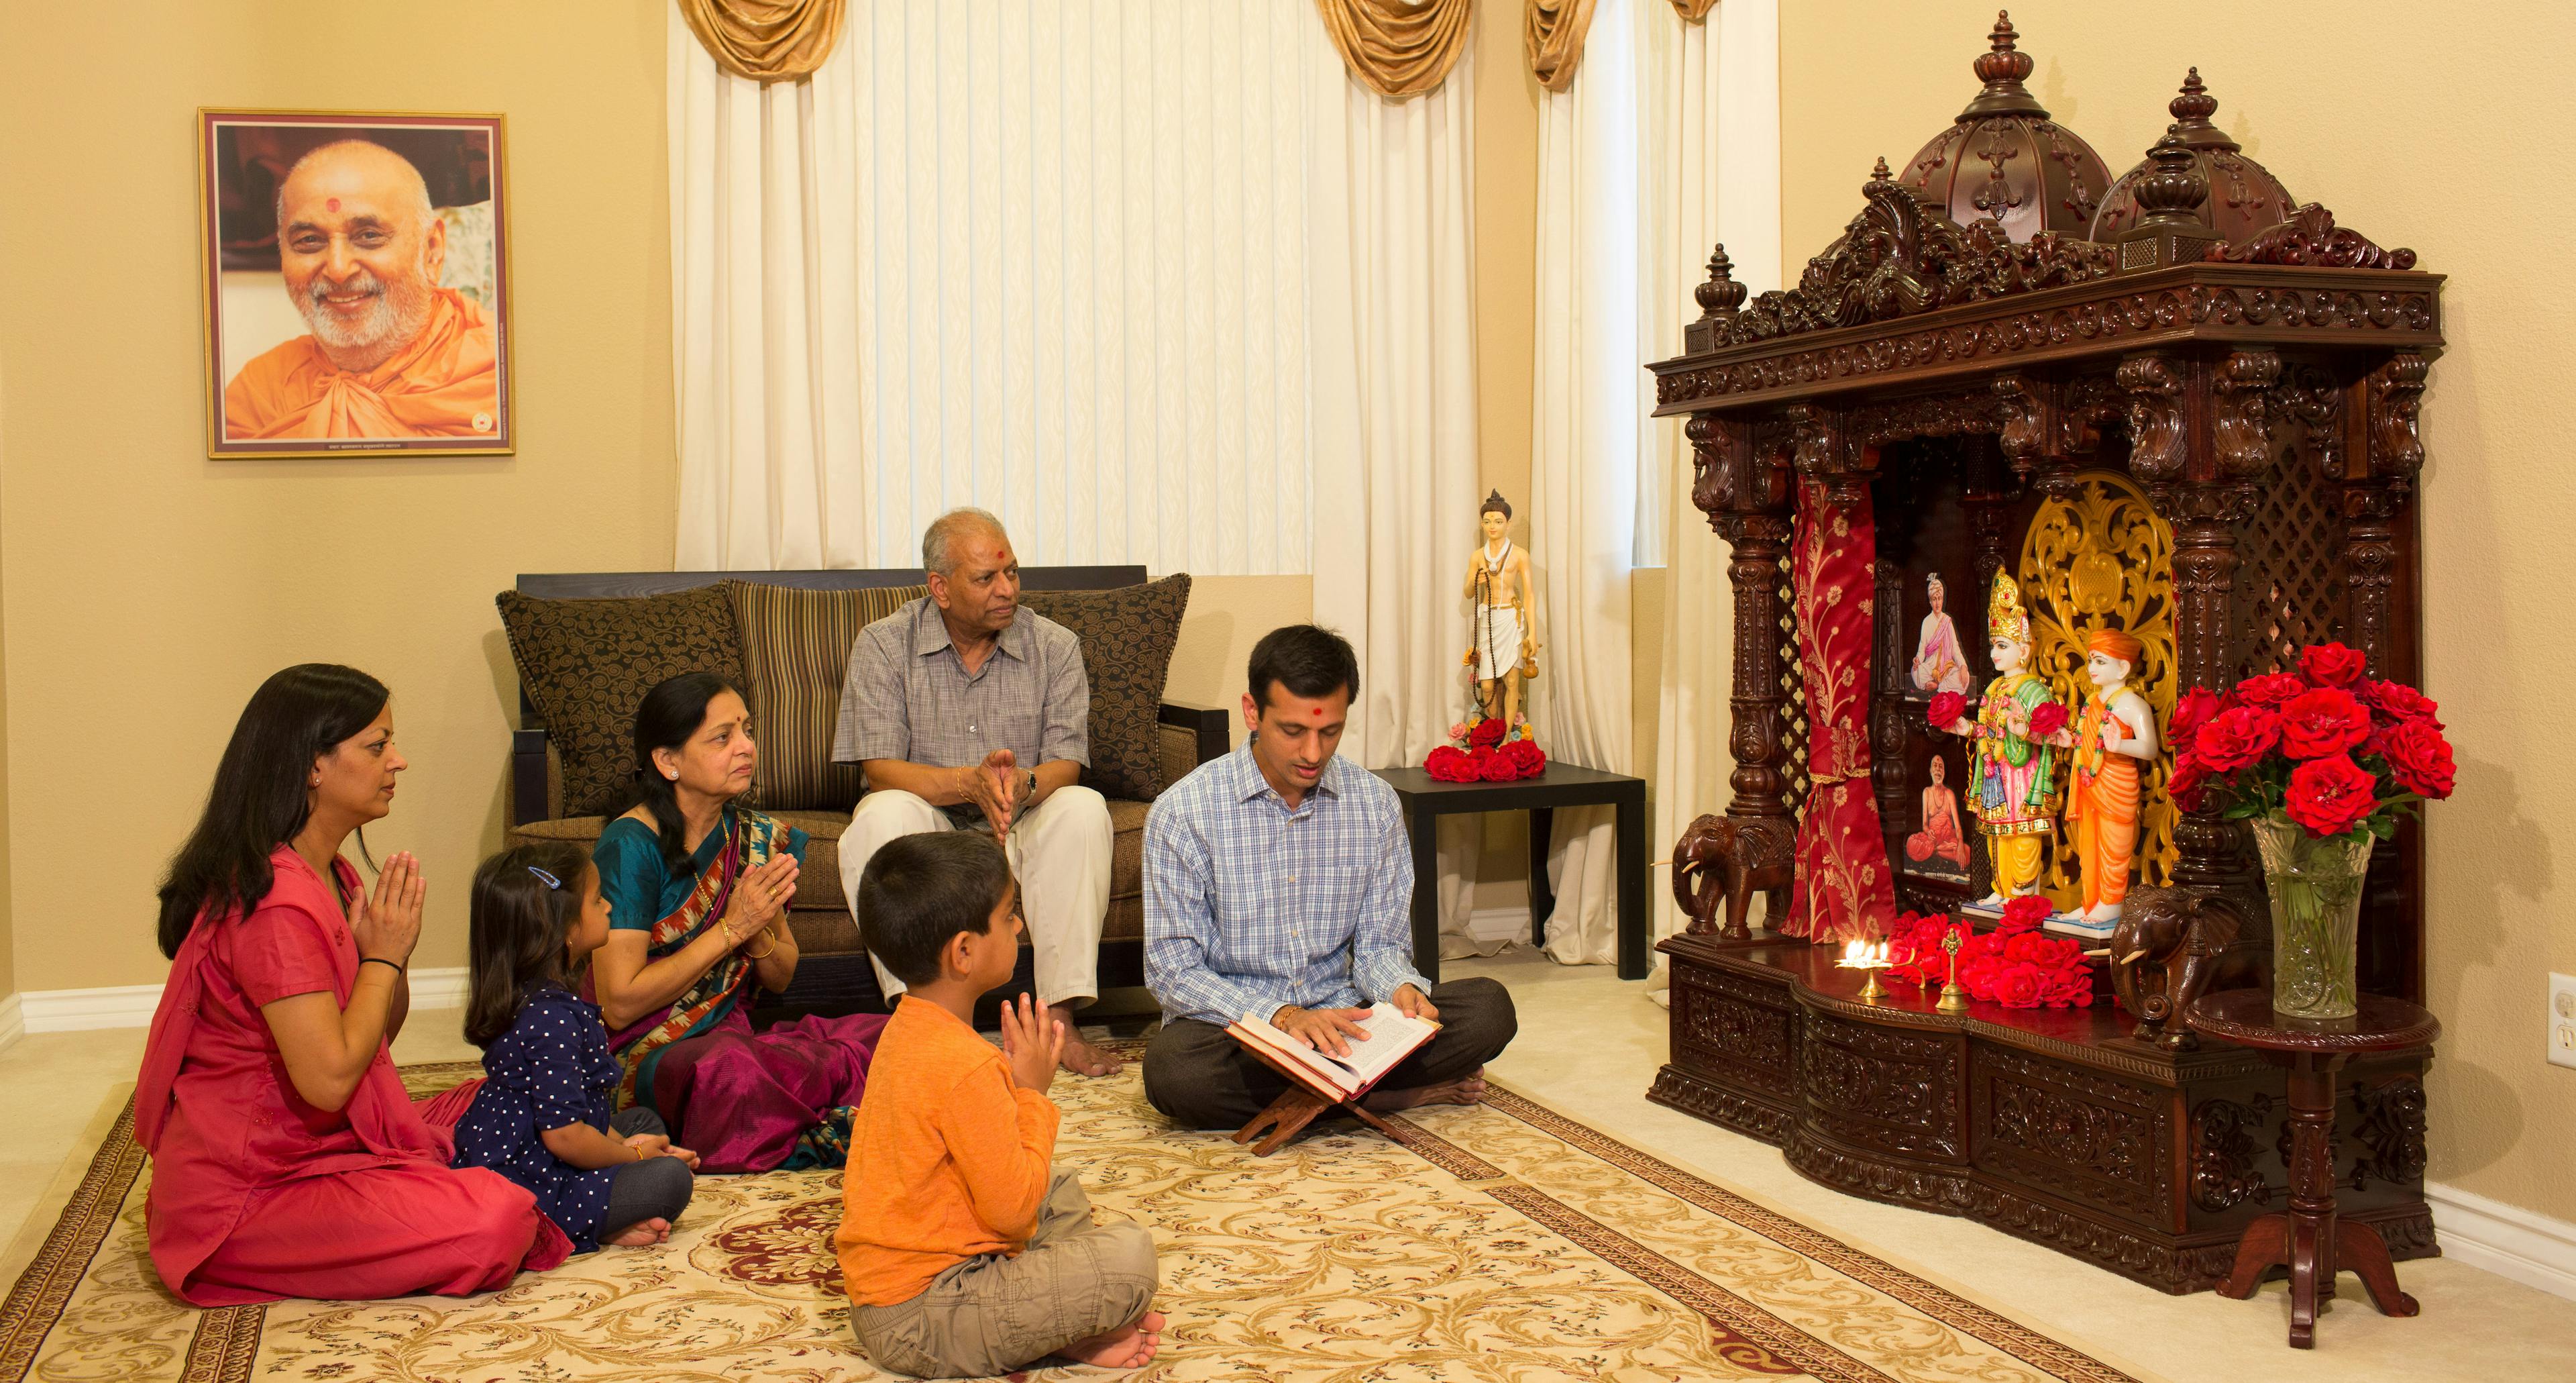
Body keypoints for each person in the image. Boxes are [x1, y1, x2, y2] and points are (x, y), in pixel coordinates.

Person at [137, 664, 569, 1306]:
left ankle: (548, 1185)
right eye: (377, 745)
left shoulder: (331, 874)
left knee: (502, 1100)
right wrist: (385, 960)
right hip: (255, 1191)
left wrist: (384, 958)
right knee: (492, 1219)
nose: (398, 760)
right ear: (313, 765)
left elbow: (374, 1039)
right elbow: (331, 1078)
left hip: (327, 1143)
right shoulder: (274, 904)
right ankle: (564, 1200)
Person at [1140, 625, 1519, 1129]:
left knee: (1490, 1008)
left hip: (1349, 1021)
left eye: (1330, 731)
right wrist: (1284, 1017)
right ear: (1252, 712)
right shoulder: (1182, 813)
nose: (1313, 754)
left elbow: (1380, 947)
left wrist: (1401, 988)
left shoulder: (1375, 804)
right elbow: (1173, 972)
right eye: (1293, 731)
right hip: (1247, 1030)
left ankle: (1321, 1093)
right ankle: (1386, 1097)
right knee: (1174, 1072)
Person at [839, 832, 1165, 1377]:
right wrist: (1030, 1094)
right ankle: (1064, 1326)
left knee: (1058, 1188)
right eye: (1010, 915)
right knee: (1131, 1260)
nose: (1019, 925)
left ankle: (1062, 1328)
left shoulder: (908, 1026)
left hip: (901, 1293)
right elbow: (1011, 1214)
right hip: (922, 1318)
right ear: (964, 951)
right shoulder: (966, 1063)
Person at [834, 508, 1120, 1077]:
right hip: (932, 831)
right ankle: (921, 1021)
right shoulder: (885, 645)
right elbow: (879, 768)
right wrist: (965, 782)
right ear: (939, 588)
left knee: (1083, 809)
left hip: (1021, 823)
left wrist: (1025, 783)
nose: (1007, 589)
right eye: (987, 578)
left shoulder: (1055, 645)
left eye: (1012, 572)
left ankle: (1059, 1017)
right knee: (878, 814)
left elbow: (1068, 763)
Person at [591, 672, 889, 1172]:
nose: (746, 747)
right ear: (668, 761)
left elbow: (781, 974)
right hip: (648, 1051)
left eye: (747, 730)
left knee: (889, 1034)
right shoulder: (630, 846)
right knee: (732, 1073)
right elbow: (618, 1004)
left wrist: (756, 931)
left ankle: (803, 1108)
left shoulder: (751, 837)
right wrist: (730, 929)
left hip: (730, 1032)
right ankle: (819, 1120)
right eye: (723, 737)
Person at [451, 842, 699, 1253]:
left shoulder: (541, 999)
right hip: (532, 1179)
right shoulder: (552, 1019)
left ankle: (609, 1216)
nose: (607, 907)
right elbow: (564, 1137)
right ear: (564, 930)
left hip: (546, 1149)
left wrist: (629, 1144)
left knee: (644, 1123)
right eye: (597, 899)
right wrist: (634, 1158)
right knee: (670, 1179)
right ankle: (577, 1225)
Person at [223, 139, 501, 440]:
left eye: (369, 235)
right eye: (309, 240)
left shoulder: (496, 375)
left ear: (431, 251)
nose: (339, 270)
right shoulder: (260, 393)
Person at [1941, 573, 2061, 904]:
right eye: (1994, 645)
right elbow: (1985, 730)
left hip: (2022, 773)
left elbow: (2052, 734)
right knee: (1996, 832)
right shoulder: (1994, 688)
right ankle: (2001, 887)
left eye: (2002, 646)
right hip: (1996, 771)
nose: (1995, 652)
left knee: (2021, 831)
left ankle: (2022, 892)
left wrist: (2025, 731)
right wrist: (1964, 729)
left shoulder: (2034, 689)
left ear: (2023, 650)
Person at [2065, 629, 2158, 923]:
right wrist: (2068, 740)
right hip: (2089, 783)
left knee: (2113, 846)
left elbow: (2150, 748)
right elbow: (2087, 739)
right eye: (2091, 660)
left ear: (2123, 668)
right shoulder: (2092, 702)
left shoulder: (2132, 704)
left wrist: (2122, 745)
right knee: (2088, 847)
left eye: (2101, 662)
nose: (2092, 668)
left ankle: (2112, 901)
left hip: (2117, 784)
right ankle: (2091, 900)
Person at [1460, 489, 1539, 728]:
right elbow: (1467, 592)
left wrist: (1532, 633)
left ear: (1508, 523)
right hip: (1488, 618)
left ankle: (1506, 739)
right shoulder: (1477, 556)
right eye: (1487, 522)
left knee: (1512, 680)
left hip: (1511, 617)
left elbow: (1530, 595)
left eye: (1498, 521)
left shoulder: (1520, 555)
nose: (1492, 526)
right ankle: (1494, 729)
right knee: (1487, 685)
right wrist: (1475, 582)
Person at [1903, 755, 1972, 874]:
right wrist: (1928, 831)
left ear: (1944, 772)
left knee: (1967, 852)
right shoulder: (1927, 792)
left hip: (1948, 838)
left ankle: (1934, 852)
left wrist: (1960, 843)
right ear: (1930, 771)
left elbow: (1958, 826)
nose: (1938, 769)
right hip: (1932, 838)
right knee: (1911, 844)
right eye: (1935, 766)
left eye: (1941, 767)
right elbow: (1924, 824)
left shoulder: (1949, 794)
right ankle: (1939, 850)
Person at [1911, 572, 1972, 695]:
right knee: (1916, 673)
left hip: (1947, 669)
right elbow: (1922, 649)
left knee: (1963, 678)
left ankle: (1937, 686)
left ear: (1943, 600)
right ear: (1930, 601)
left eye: (1939, 599)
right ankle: (1939, 686)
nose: (1937, 603)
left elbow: (1955, 649)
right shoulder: (1926, 622)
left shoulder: (1947, 621)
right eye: (1934, 599)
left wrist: (1963, 666)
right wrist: (1917, 661)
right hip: (1930, 668)